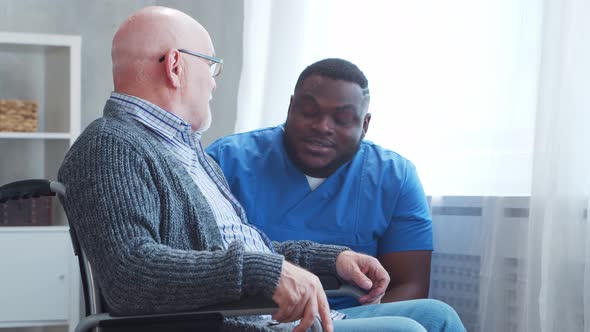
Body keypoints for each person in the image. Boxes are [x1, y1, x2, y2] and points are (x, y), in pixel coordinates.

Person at [58, 6, 465, 332]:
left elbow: (246, 249)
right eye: (211, 66)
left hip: (262, 315)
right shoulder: (110, 145)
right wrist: (266, 271)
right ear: (176, 67)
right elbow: (131, 276)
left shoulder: (188, 153)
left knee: (437, 316)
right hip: (235, 323)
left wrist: (332, 259)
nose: (214, 82)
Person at [207, 58, 433, 310]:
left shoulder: (395, 176)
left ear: (365, 124)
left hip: (352, 319)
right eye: (309, 112)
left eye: (343, 118)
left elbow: (410, 284)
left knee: (437, 315)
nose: (322, 127)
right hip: (257, 317)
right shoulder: (226, 160)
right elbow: (201, 258)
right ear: (291, 107)